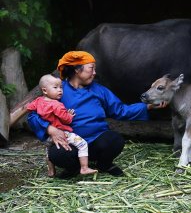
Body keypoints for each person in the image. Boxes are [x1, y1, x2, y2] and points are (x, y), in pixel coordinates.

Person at [27, 51, 166, 179]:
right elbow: (33, 116)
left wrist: (148, 106)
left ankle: (103, 164)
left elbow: (121, 110)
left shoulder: (99, 90)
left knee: (115, 140)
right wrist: (50, 129)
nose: (94, 73)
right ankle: (74, 168)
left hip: (96, 140)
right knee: (57, 154)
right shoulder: (58, 90)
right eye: (91, 68)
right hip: (72, 143)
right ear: (77, 70)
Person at [27, 74, 98, 177]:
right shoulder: (56, 105)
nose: (59, 90)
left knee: (48, 151)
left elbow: (30, 108)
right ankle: (84, 167)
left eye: (61, 87)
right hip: (62, 133)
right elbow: (66, 119)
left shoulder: (38, 101)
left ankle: (51, 171)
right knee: (82, 144)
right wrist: (69, 115)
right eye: (55, 87)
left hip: (47, 137)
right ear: (45, 90)